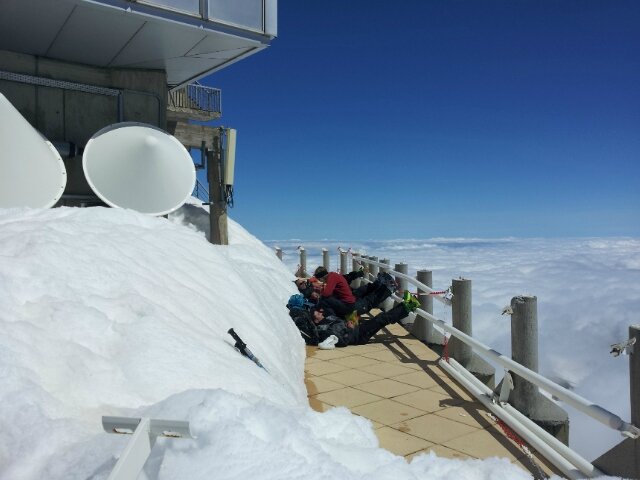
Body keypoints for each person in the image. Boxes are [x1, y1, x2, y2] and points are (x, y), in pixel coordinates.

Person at [311, 291, 421, 347]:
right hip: (358, 336)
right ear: (315, 320)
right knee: (381, 319)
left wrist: (350, 319)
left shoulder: (327, 318)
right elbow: (341, 341)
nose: (320, 312)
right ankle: (408, 306)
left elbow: (340, 322)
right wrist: (349, 328)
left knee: (378, 318)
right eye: (317, 313)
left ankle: (405, 307)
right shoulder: (324, 330)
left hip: (355, 329)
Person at [314, 266, 397, 318]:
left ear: (321, 277)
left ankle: (388, 289)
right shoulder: (333, 276)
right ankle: (379, 284)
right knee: (366, 295)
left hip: (349, 304)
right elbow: (347, 277)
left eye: (319, 279)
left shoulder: (331, 277)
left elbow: (327, 293)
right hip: (350, 300)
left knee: (369, 302)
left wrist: (321, 293)